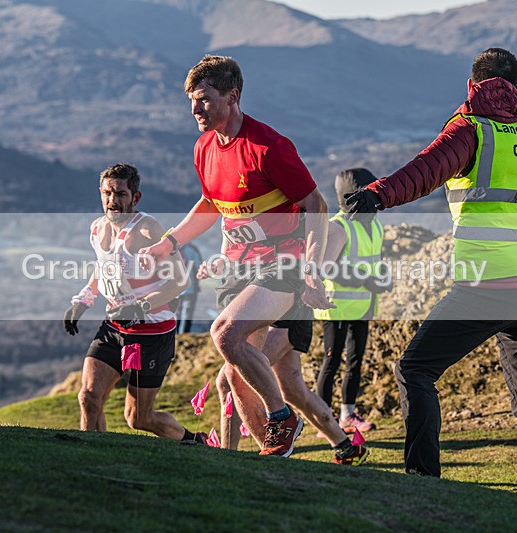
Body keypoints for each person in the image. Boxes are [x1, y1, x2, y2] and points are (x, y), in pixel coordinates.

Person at [347, 48, 517, 500]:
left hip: (488, 284)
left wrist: (378, 194)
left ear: (473, 86)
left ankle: (423, 482)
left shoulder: (472, 130)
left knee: (415, 369)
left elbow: (426, 169)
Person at [139, 55, 333, 457]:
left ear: (232, 96)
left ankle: (283, 417)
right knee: (234, 379)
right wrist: (168, 243)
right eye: (192, 101)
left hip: (283, 262)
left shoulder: (269, 147)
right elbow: (210, 204)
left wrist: (313, 268)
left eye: (204, 99)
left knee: (225, 333)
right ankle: (272, 452)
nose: (195, 109)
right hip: (238, 267)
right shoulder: (204, 147)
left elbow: (316, 205)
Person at [63, 163, 205, 444]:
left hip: (152, 332)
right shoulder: (97, 228)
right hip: (115, 327)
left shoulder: (148, 229)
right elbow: (104, 267)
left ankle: (194, 440)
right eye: (107, 193)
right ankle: (91, 459)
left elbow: (180, 282)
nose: (112, 200)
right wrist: (84, 299)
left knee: (139, 418)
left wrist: (140, 307)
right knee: (89, 398)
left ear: (135, 198)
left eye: (121, 194)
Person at [198, 254, 368, 465]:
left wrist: (313, 277)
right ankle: (346, 448)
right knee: (293, 391)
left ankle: (231, 457)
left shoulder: (306, 237)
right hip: (275, 299)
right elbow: (245, 248)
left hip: (287, 306)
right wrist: (221, 263)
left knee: (229, 379)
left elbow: (315, 251)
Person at [314, 168, 389, 434]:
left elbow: (375, 260)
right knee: (331, 363)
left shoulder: (375, 225)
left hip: (365, 304)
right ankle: (324, 420)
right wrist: (365, 280)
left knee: (355, 362)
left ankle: (348, 416)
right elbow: (327, 268)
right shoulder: (337, 226)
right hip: (336, 306)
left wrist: (383, 278)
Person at [176, 242, 203, 333]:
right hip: (190, 288)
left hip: (173, 291)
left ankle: (175, 337)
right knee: (186, 315)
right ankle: (183, 336)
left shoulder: (169, 249)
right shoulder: (192, 250)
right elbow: (199, 267)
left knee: (176, 315)